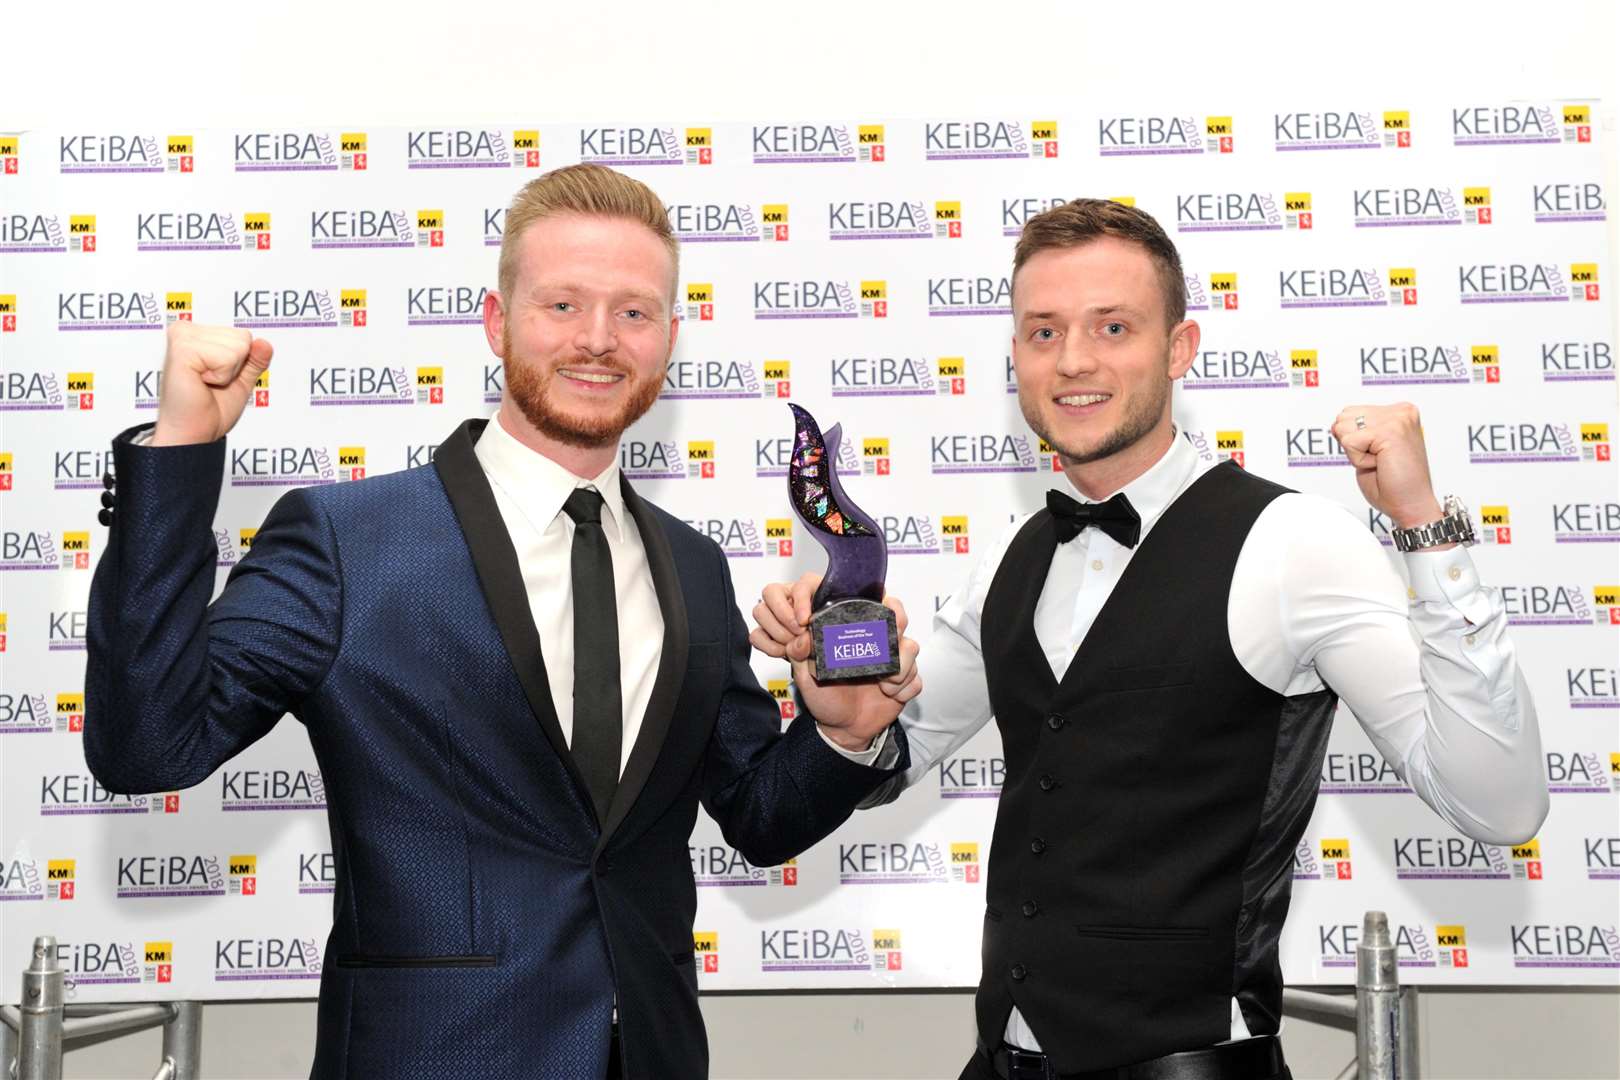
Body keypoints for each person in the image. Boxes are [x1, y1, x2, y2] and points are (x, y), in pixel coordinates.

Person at [85, 164, 919, 1080]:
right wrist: (181, 452)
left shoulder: (692, 563)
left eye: (634, 313)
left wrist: (841, 736)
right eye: (562, 304)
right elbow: (147, 748)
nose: (598, 340)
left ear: (670, 339)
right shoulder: (348, 541)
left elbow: (760, 818)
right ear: (496, 320)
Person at [751, 199, 1547, 1080]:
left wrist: (1425, 528)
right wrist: (846, 730)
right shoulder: (1013, 564)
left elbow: (1500, 806)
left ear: (1179, 349)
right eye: (1043, 331)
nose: (1074, 359)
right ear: (1014, 356)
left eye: (1113, 326)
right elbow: (870, 768)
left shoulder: (1293, 545)